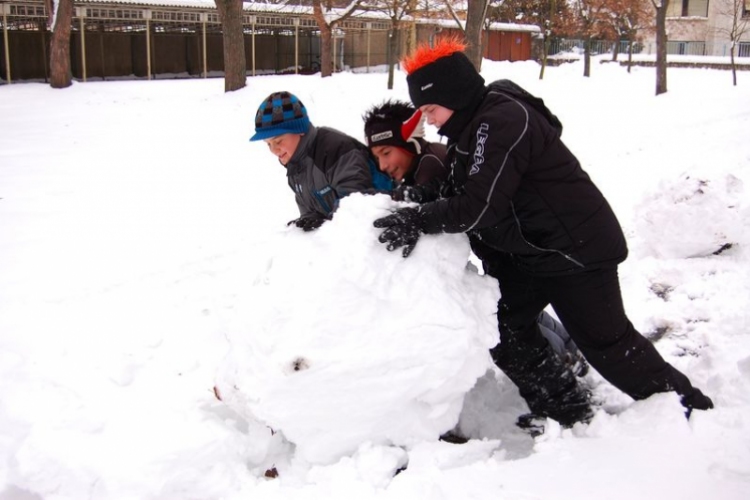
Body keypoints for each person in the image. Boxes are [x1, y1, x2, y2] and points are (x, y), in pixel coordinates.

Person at [373, 38, 713, 429]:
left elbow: (480, 206)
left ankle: (691, 413)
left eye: (431, 109)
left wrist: (420, 220)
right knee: (502, 331)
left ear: (455, 94)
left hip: (575, 251)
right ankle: (568, 410)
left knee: (607, 345)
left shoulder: (500, 121)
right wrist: (422, 197)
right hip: (533, 253)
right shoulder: (472, 126)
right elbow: (462, 185)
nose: (429, 120)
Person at [364, 99, 588, 378]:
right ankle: (569, 346)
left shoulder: (430, 164)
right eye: (377, 158)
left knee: (509, 319)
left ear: (411, 142)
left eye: (386, 152)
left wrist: (410, 206)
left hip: (507, 245)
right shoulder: (421, 162)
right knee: (515, 310)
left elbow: (440, 202)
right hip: (500, 245)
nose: (383, 165)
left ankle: (564, 360)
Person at [249, 91, 391, 231]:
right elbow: (312, 211)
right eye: (268, 144)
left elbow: (357, 206)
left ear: (300, 130)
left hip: (384, 232)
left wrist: (324, 223)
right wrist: (309, 220)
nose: (273, 150)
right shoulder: (296, 166)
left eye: (278, 141)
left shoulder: (334, 150)